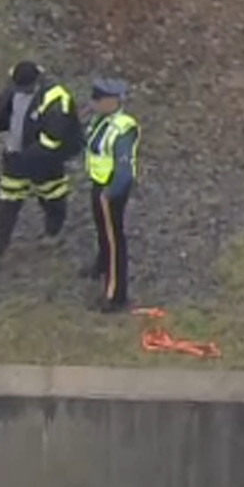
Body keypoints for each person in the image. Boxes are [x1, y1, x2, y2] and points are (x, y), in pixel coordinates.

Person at [0, 60, 84, 270]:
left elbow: (53, 138)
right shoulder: (16, 85)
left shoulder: (56, 99)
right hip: (16, 156)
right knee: (8, 200)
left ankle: (53, 231)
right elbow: (5, 102)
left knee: (52, 195)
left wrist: (29, 158)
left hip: (45, 159)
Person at [81, 78, 141, 312]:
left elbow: (124, 169)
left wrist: (109, 193)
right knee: (102, 231)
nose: (93, 103)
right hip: (99, 183)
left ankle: (116, 294)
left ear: (112, 101)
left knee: (114, 239)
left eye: (98, 99)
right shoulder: (101, 120)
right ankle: (102, 264)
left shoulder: (123, 128)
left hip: (112, 189)